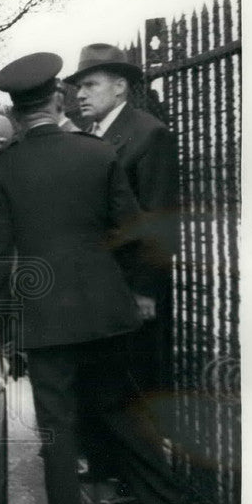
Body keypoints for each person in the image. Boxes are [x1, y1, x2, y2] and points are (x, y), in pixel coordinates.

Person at [0, 52, 146, 504]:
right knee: (120, 412)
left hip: (46, 322)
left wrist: (3, 328)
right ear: (57, 99)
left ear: (14, 111)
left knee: (57, 435)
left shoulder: (4, 166)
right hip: (108, 314)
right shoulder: (97, 153)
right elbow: (133, 232)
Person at [69, 43, 179, 396]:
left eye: (91, 85)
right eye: (79, 87)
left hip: (130, 289)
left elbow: (159, 217)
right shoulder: (89, 135)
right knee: (100, 388)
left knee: (132, 388)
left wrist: (145, 289)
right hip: (95, 289)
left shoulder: (149, 134)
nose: (80, 95)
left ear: (120, 87)